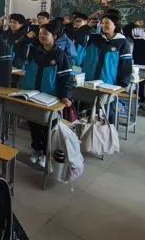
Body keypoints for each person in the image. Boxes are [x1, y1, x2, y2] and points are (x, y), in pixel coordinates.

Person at [22, 22, 74, 167]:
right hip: (33, 95)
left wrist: (66, 95)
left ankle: (46, 153)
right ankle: (37, 150)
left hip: (50, 97)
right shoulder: (35, 51)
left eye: (46, 34)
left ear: (54, 36)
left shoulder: (60, 55)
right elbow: (20, 50)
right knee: (33, 124)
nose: (42, 36)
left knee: (48, 127)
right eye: (40, 33)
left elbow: (66, 78)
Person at [81, 14, 133, 87]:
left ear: (115, 25)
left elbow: (125, 65)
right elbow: (77, 37)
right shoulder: (95, 38)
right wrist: (88, 26)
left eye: (107, 23)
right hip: (89, 80)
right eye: (102, 23)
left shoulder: (122, 42)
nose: (103, 25)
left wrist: (122, 84)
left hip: (108, 83)